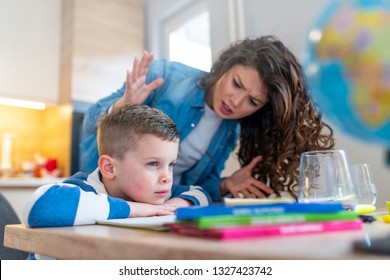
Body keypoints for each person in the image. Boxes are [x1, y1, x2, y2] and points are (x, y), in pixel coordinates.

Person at [81, 35, 334, 202]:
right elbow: (89, 122)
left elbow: (198, 185)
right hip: (104, 195)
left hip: (156, 208)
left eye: (253, 102)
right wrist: (123, 106)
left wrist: (225, 184)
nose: (236, 102)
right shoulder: (164, 77)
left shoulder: (229, 131)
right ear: (225, 67)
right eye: (236, 84)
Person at [23, 104, 211, 229]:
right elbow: (39, 207)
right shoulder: (85, 189)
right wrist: (134, 209)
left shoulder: (156, 194)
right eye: (153, 163)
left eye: (170, 164)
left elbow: (201, 194)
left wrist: (175, 205)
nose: (167, 177)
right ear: (109, 168)